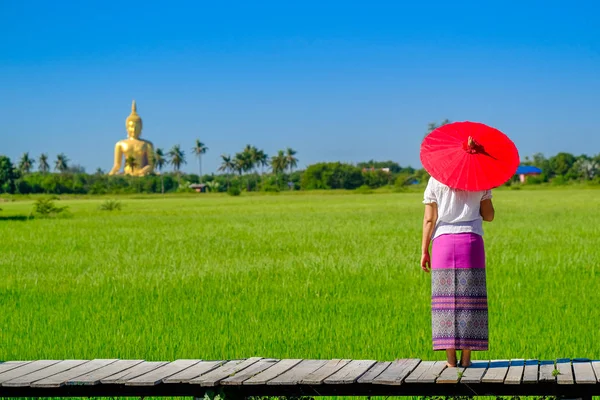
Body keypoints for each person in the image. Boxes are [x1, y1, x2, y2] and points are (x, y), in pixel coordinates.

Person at [421, 175, 495, 368]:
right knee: (470, 299)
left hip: (443, 243)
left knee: (444, 299)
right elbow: (489, 216)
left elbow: (430, 219)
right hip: (470, 242)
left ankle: (451, 359)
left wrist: (424, 250)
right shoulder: (480, 178)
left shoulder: (435, 179)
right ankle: (466, 357)